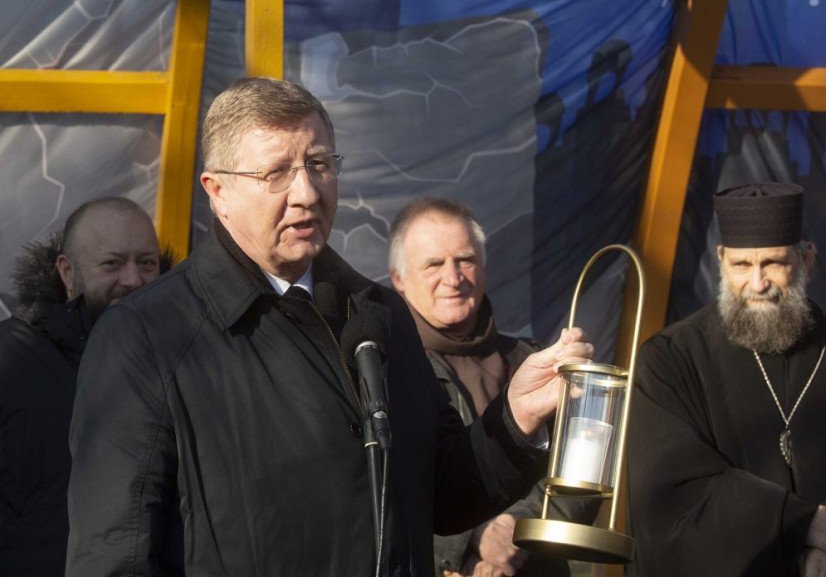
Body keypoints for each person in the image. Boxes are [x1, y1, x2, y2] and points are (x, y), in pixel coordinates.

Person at [65, 77, 594, 577]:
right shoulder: (146, 337)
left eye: (319, 164)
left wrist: (515, 419)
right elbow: (115, 554)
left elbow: (441, 494)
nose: (307, 193)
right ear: (217, 191)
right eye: (276, 173)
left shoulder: (382, 315)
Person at [626, 182, 826, 577]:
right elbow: (671, 493)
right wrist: (798, 528)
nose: (758, 283)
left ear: (806, 259)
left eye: (774, 263)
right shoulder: (670, 359)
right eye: (741, 265)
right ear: (721, 260)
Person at [388, 197, 599, 577]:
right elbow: (377, 491)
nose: (454, 278)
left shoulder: (533, 361)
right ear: (398, 279)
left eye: (465, 260)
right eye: (434, 264)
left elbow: (582, 472)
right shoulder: (380, 372)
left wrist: (518, 529)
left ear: (484, 266)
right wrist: (468, 543)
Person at [0, 197, 162, 576]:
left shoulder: (190, 360)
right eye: (112, 263)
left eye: (147, 263)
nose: (133, 280)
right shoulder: (10, 361)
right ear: (68, 273)